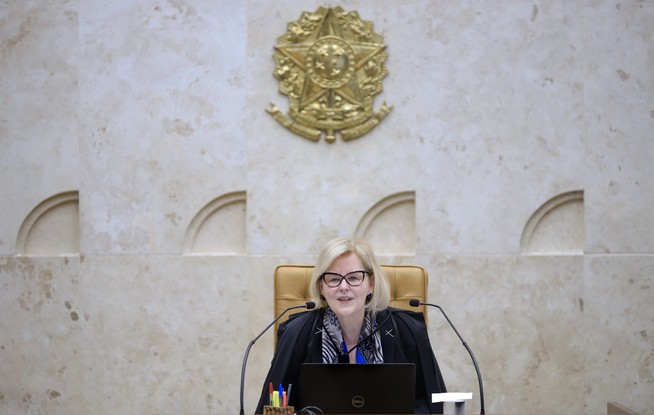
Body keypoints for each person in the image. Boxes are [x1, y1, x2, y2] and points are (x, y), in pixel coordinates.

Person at [255, 238, 447, 414]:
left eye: (354, 278)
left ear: (371, 284)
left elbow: (432, 402)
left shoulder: (407, 330)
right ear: (322, 286)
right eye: (334, 279)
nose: (344, 287)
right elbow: (272, 408)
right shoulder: (296, 333)